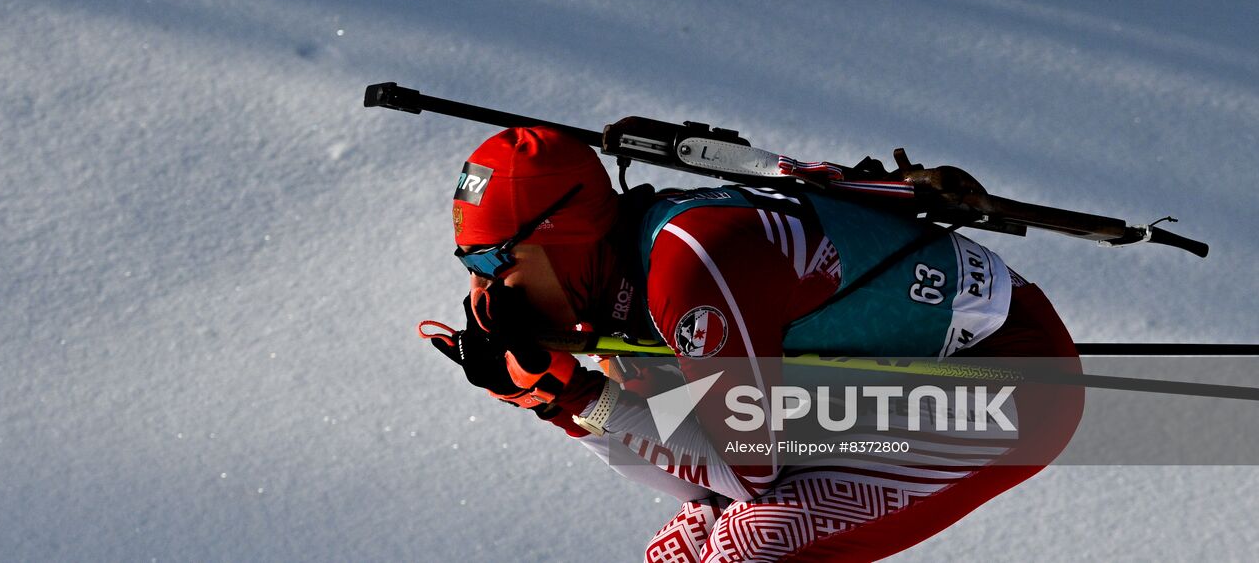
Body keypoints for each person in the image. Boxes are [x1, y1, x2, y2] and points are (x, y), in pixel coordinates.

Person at [423, 126, 1084, 562]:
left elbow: (745, 472)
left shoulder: (686, 267)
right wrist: (561, 402)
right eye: (470, 266)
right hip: (887, 385)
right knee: (681, 548)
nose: (485, 293)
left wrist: (581, 395)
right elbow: (690, 479)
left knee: (748, 546)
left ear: (564, 238)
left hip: (1009, 375)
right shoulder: (613, 295)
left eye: (493, 262)